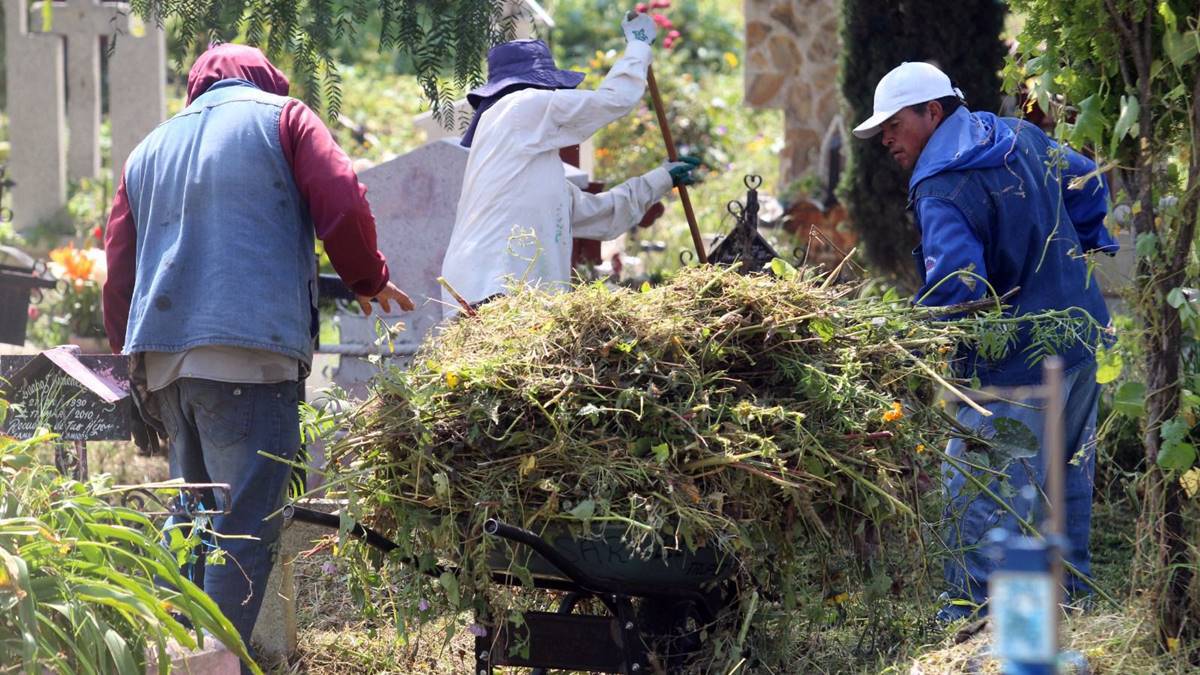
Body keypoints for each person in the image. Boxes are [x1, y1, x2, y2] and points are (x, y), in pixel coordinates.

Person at [102, 43, 413, 664]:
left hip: (165, 364)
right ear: (267, 80)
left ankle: (164, 658)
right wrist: (367, 277)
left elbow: (117, 267)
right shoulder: (284, 117)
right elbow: (342, 197)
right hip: (249, 355)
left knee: (193, 519)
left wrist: (127, 364)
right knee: (242, 529)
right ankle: (207, 666)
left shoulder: (146, 150)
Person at [852, 62, 1119, 622]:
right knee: (1065, 485)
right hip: (1077, 342)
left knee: (980, 497)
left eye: (894, 125)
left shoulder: (940, 183)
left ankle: (975, 625)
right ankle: (1073, 614)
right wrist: (1085, 245)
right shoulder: (1017, 133)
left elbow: (960, 291)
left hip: (1014, 368)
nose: (887, 140)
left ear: (933, 111)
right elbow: (1088, 177)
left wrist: (908, 336)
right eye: (881, 132)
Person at [439, 12, 700, 316]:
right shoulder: (521, 105)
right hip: (492, 293)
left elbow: (604, 217)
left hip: (494, 298)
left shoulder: (531, 168)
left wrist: (662, 179)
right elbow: (614, 100)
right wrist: (638, 47)